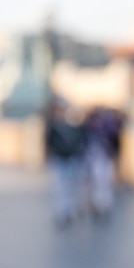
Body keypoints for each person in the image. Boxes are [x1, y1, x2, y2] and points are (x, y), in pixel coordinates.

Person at [44, 97, 87, 228]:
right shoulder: (53, 126)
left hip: (71, 159)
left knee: (71, 187)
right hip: (59, 159)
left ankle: (69, 211)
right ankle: (61, 212)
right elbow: (48, 143)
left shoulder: (73, 125)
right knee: (60, 187)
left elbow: (80, 141)